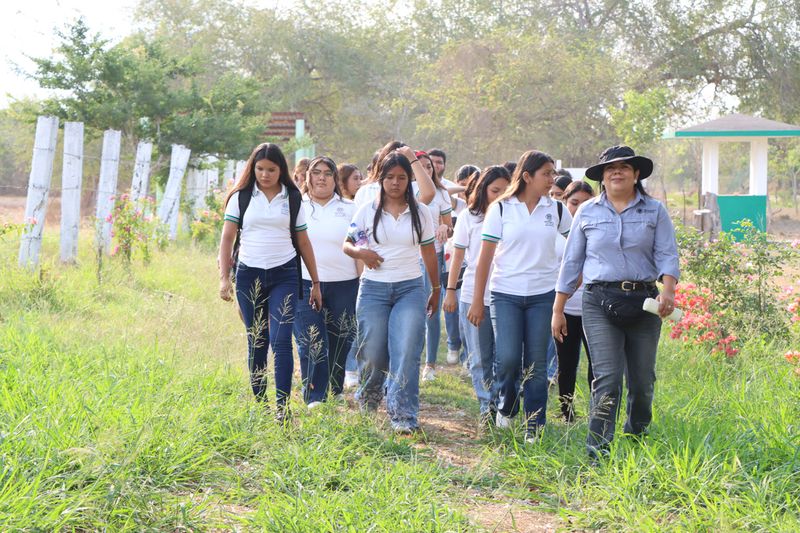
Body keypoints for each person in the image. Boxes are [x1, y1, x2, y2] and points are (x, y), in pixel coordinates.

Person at [553, 145, 679, 460]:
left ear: (637, 174)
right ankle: (598, 450)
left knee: (642, 381)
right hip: (598, 301)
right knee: (607, 378)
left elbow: (667, 254)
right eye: (610, 168)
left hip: (644, 302)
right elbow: (572, 262)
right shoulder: (588, 211)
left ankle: (636, 436)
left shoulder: (655, 211)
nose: (617, 172)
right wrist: (559, 308)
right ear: (602, 177)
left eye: (624, 167)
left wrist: (668, 291)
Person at [468, 150, 572, 442]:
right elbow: (484, 260)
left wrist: (570, 281)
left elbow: (576, 244)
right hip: (505, 295)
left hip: (543, 295)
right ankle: (507, 406)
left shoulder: (557, 210)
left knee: (537, 364)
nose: (552, 179)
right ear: (527, 176)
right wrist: (478, 301)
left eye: (553, 173)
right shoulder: (501, 209)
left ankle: (534, 426)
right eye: (546, 174)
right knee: (510, 358)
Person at [218, 143, 323, 422]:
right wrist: (224, 278)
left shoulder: (291, 197)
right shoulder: (240, 197)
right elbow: (227, 238)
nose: (265, 174)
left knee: (281, 341)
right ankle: (261, 403)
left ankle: (282, 408)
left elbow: (303, 240)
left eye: (271, 170)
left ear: (281, 170)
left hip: (285, 275)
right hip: (248, 275)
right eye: (260, 169)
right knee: (257, 341)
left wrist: (315, 281)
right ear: (253, 168)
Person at [343, 151, 440, 434]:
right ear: (380, 179)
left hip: (410, 288)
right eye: (389, 178)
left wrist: (435, 288)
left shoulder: (421, 212)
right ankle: (369, 398)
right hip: (373, 289)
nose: (395, 183)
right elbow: (347, 244)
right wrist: (361, 252)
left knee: (407, 350)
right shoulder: (367, 210)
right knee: (373, 353)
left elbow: (429, 253)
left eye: (401, 177)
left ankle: (403, 415)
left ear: (409, 180)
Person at [443, 165, 510, 424]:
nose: (500, 196)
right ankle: (487, 408)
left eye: (506, 191)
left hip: (507, 293)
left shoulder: (514, 215)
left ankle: (505, 404)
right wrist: (450, 291)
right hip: (473, 293)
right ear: (483, 190)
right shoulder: (471, 217)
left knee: (506, 355)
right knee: (481, 357)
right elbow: (458, 256)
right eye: (495, 191)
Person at [293, 156, 360, 406]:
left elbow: (360, 245)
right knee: (312, 340)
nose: (321, 177)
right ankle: (314, 397)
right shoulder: (296, 205)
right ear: (308, 177)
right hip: (304, 283)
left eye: (328, 173)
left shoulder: (351, 208)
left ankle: (334, 388)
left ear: (335, 178)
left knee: (340, 339)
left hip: (345, 283)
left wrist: (362, 282)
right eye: (316, 172)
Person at [553, 179, 596, 422]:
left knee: (596, 366)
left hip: (594, 310)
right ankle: (566, 412)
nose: (579, 208)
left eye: (586, 203)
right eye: (574, 203)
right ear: (564, 202)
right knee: (566, 365)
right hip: (565, 310)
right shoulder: (558, 237)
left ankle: (596, 413)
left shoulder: (598, 233)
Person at [415, 151, 453, 381]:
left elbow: (448, 226)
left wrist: (444, 229)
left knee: (432, 311)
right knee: (413, 310)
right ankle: (411, 357)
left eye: (429, 167)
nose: (426, 170)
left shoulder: (441, 194)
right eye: (420, 167)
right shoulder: (404, 190)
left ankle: (429, 364)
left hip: (433, 257)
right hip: (409, 258)